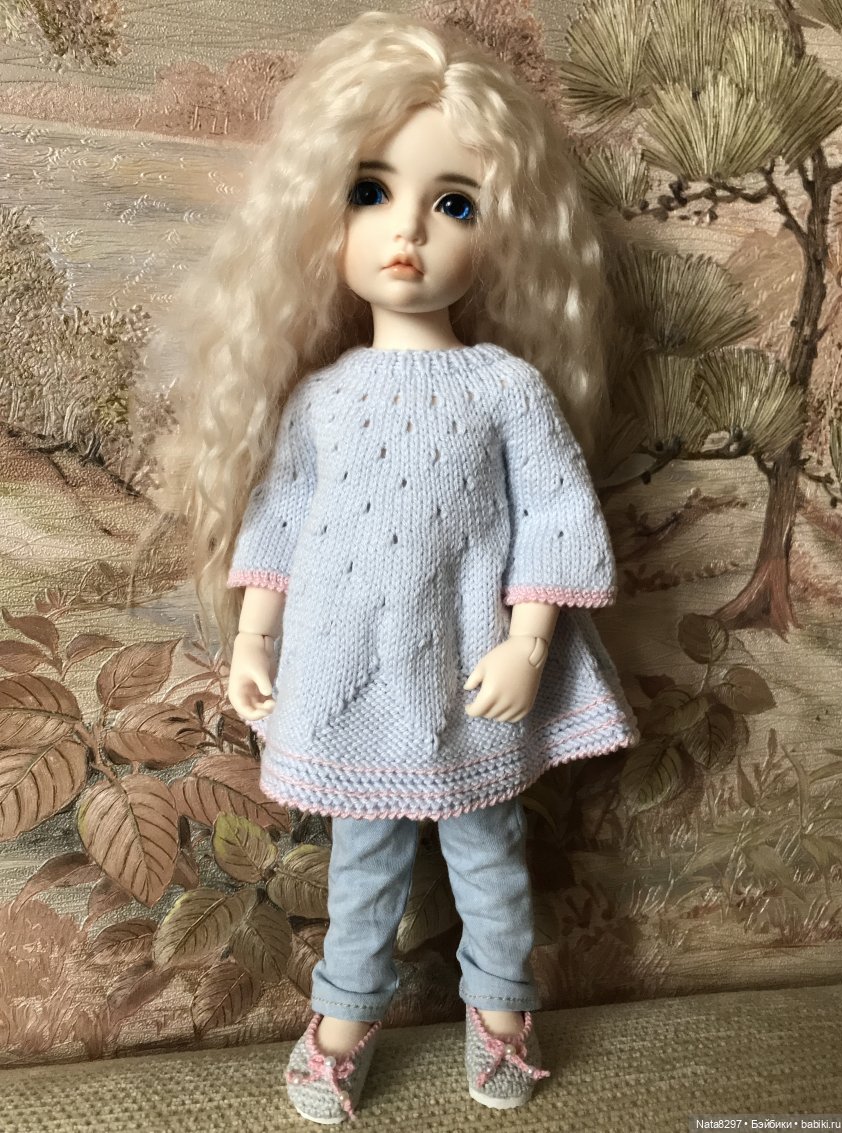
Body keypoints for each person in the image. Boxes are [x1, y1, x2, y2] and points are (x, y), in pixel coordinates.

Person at [158, 10, 640, 1123]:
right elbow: (280, 519)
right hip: (349, 672)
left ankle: (503, 1011)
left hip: (472, 670)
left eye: (453, 204)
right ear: (321, 218)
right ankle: (342, 1019)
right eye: (372, 193)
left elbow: (554, 512)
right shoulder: (321, 400)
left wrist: (529, 645)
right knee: (360, 860)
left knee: (491, 854)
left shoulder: (504, 387)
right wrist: (254, 635)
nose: (409, 231)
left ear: (502, 233)